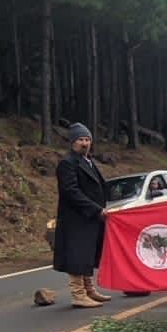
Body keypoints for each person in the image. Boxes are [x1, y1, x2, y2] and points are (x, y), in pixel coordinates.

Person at [52, 122, 110, 309]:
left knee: (87, 255)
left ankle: (89, 290)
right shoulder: (67, 163)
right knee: (77, 256)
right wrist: (95, 209)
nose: (84, 143)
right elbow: (71, 192)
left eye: (87, 139)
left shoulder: (88, 161)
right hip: (76, 218)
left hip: (89, 218)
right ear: (72, 143)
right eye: (80, 140)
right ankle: (78, 294)